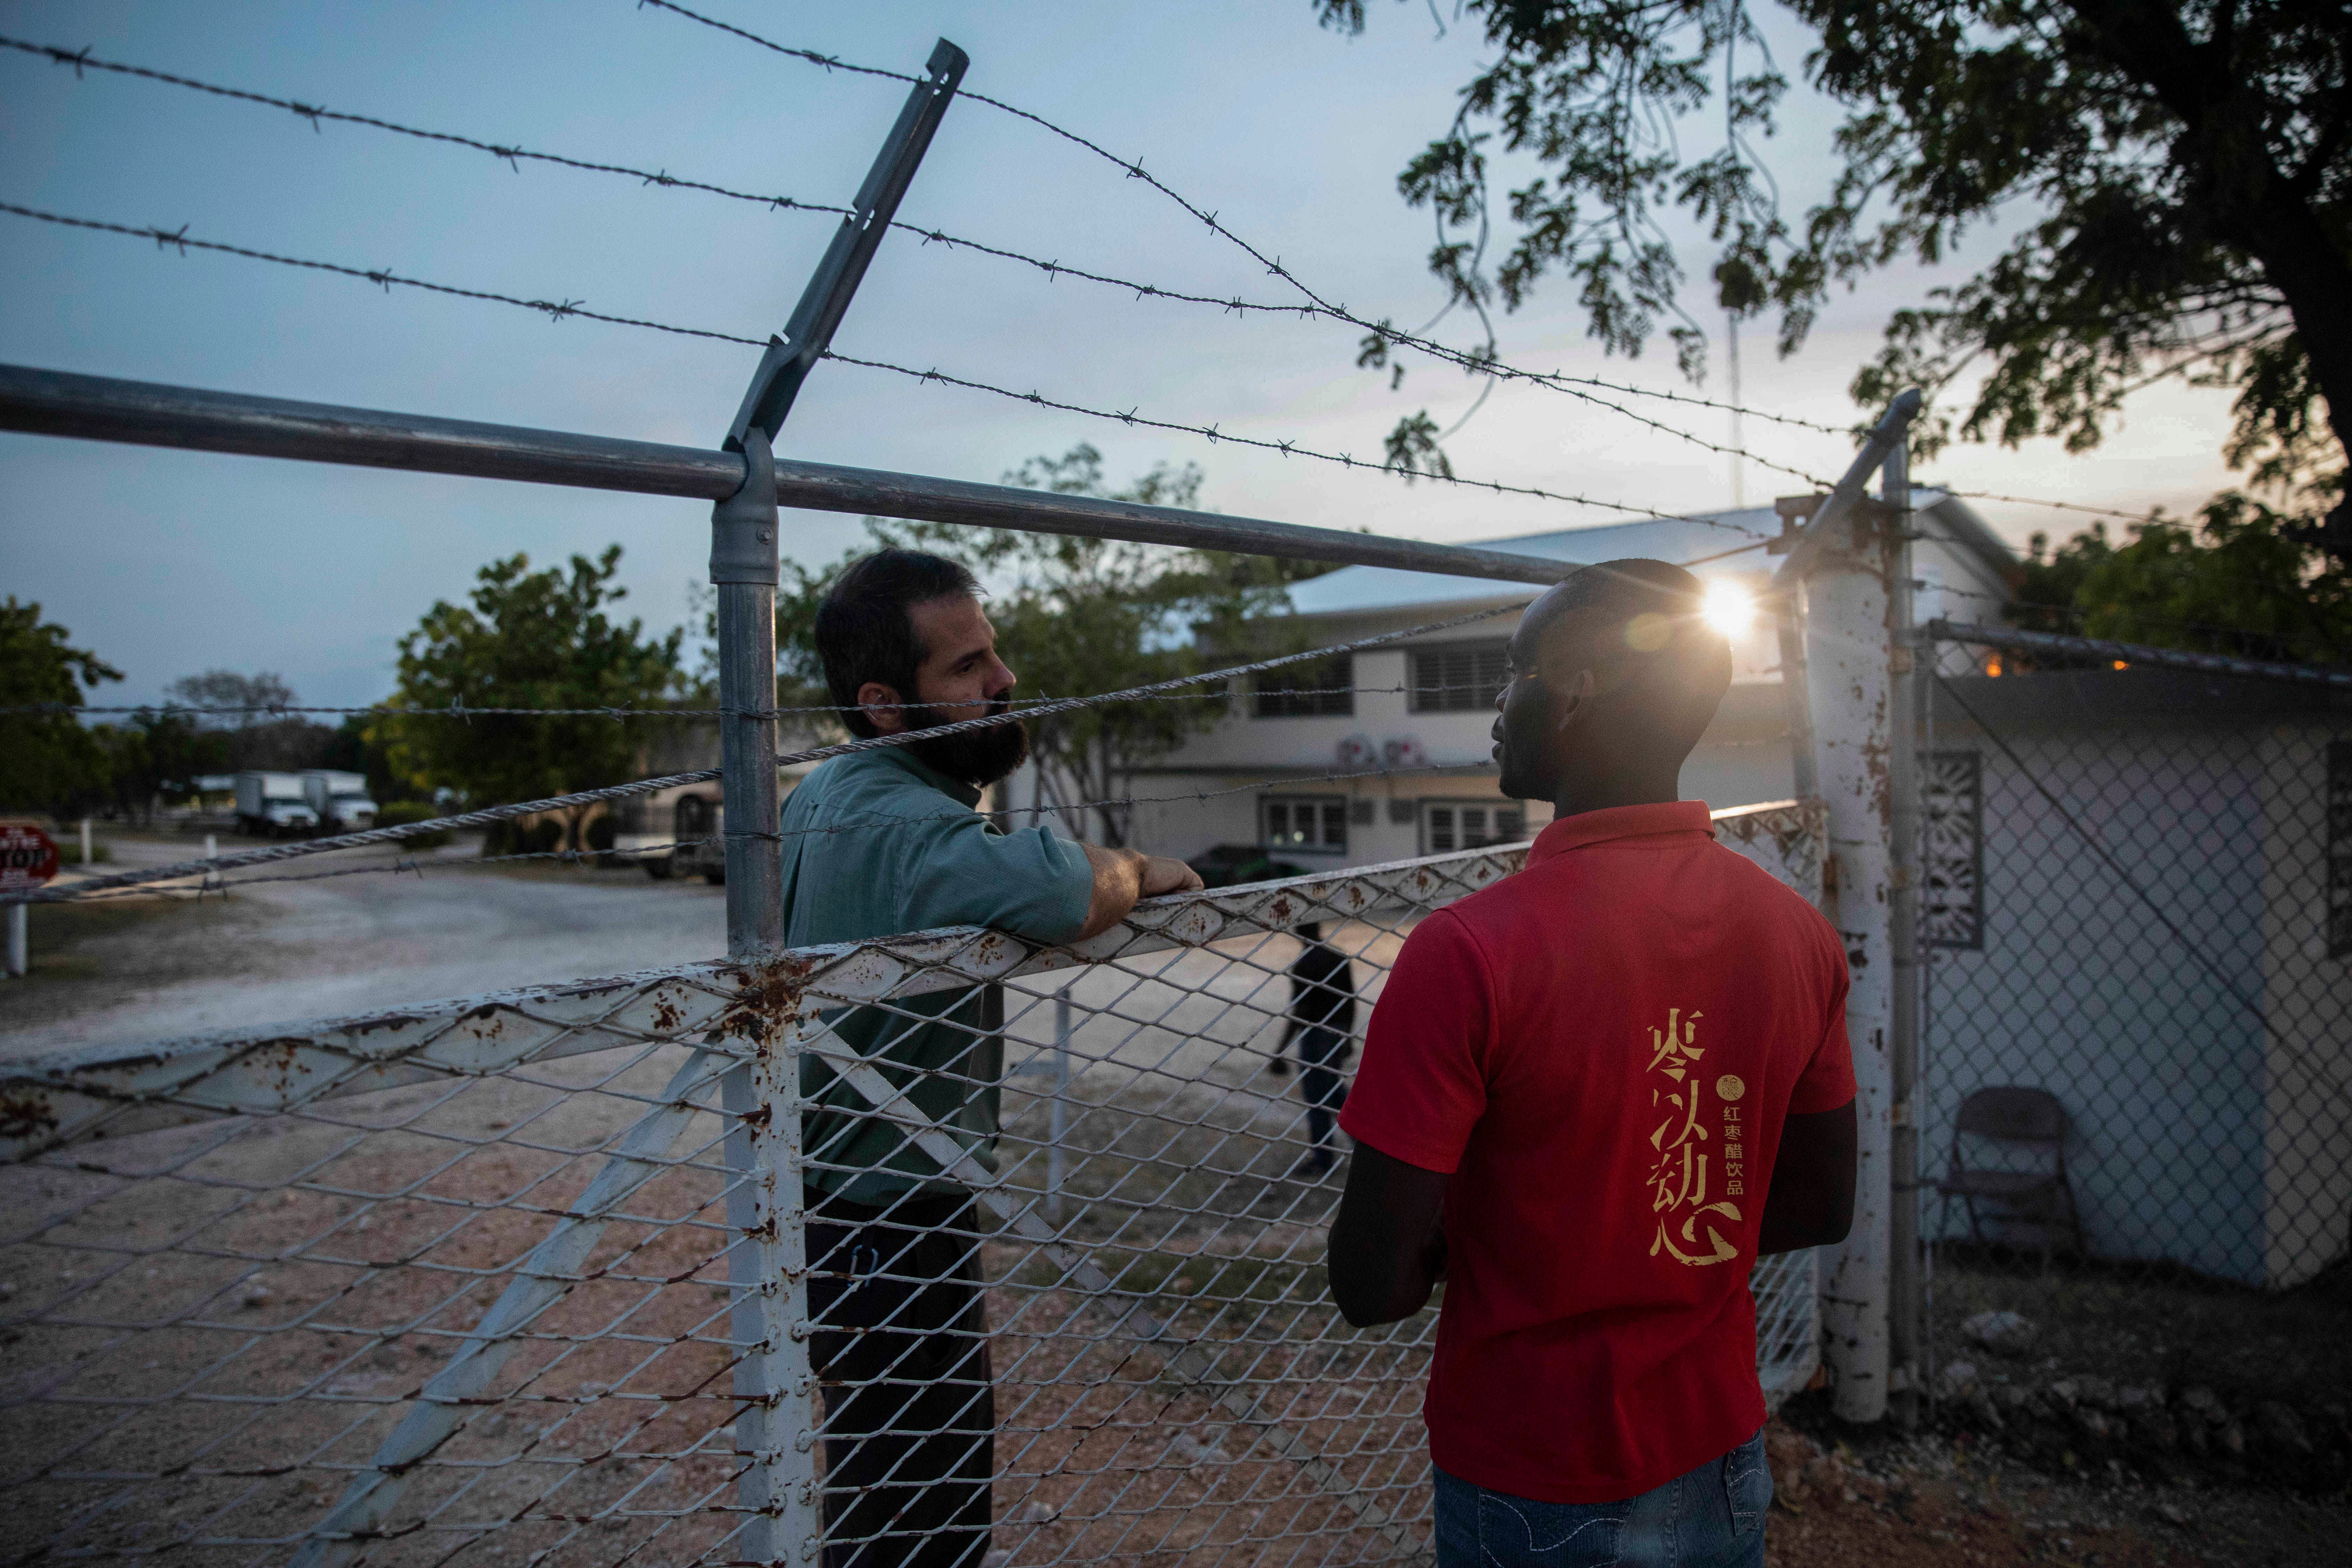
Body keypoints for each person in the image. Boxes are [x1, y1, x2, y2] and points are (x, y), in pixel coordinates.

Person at [1325, 559, 1858, 1568]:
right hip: (1718, 1445)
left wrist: (1516, 1245)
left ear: (1575, 684)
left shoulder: (1468, 951)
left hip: (1532, 1462)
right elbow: (1820, 1204)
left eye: (1515, 670)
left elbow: (1370, 1282)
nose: (1499, 705)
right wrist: (1649, 1249)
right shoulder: (1796, 933)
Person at [781, 548, 1203, 1567]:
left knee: (878, 1489)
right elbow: (1063, 892)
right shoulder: (907, 826)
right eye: (967, 666)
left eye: (994, 652)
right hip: (890, 1215)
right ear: (884, 705)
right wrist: (1138, 866)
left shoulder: (821, 794)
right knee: (924, 1510)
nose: (1004, 678)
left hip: (830, 1201)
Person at [1272, 921, 1356, 1179]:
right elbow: (1350, 1000)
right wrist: (1347, 1036)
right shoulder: (1338, 957)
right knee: (1332, 1088)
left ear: (1297, 931)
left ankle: (1323, 1160)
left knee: (1317, 1097)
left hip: (1316, 1033)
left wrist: (1280, 1050)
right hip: (1337, 1029)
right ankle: (1365, 1141)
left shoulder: (1305, 964)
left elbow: (1302, 1009)